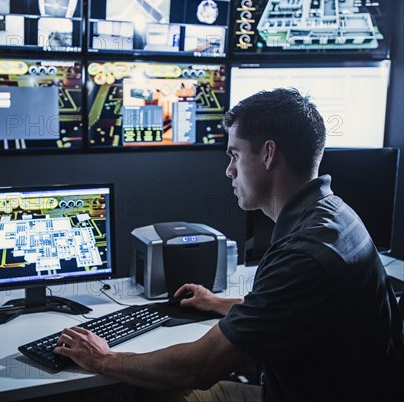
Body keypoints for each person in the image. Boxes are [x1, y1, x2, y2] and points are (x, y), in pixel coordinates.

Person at [54, 88, 403, 402]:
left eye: (234, 155)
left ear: (268, 154)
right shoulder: (335, 215)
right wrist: (219, 302)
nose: (229, 171)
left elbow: (197, 368)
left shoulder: (302, 253)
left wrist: (103, 357)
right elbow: (293, 308)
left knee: (151, 391)